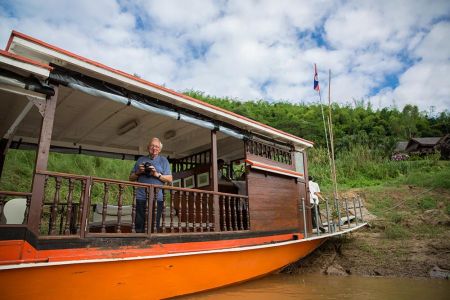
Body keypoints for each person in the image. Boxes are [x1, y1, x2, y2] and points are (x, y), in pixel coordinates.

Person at [129, 137, 172, 232]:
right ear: (148, 147)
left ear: (160, 149)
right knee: (139, 222)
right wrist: (139, 172)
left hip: (157, 197)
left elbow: (170, 179)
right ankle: (139, 243)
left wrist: (156, 174)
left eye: (156, 146)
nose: (154, 148)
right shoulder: (141, 160)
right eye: (152, 146)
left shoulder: (163, 160)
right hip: (141, 196)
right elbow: (131, 178)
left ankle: (153, 243)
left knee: (154, 223)